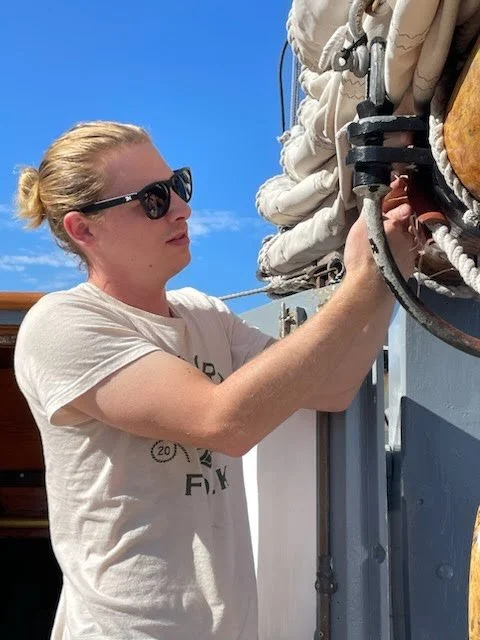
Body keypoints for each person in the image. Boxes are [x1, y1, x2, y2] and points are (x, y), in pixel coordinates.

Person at [13, 120, 416, 639]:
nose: (182, 208)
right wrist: (360, 282)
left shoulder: (203, 314)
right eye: (153, 199)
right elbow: (223, 421)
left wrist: (385, 274)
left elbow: (333, 386)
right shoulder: (61, 325)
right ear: (83, 230)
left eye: (177, 185)